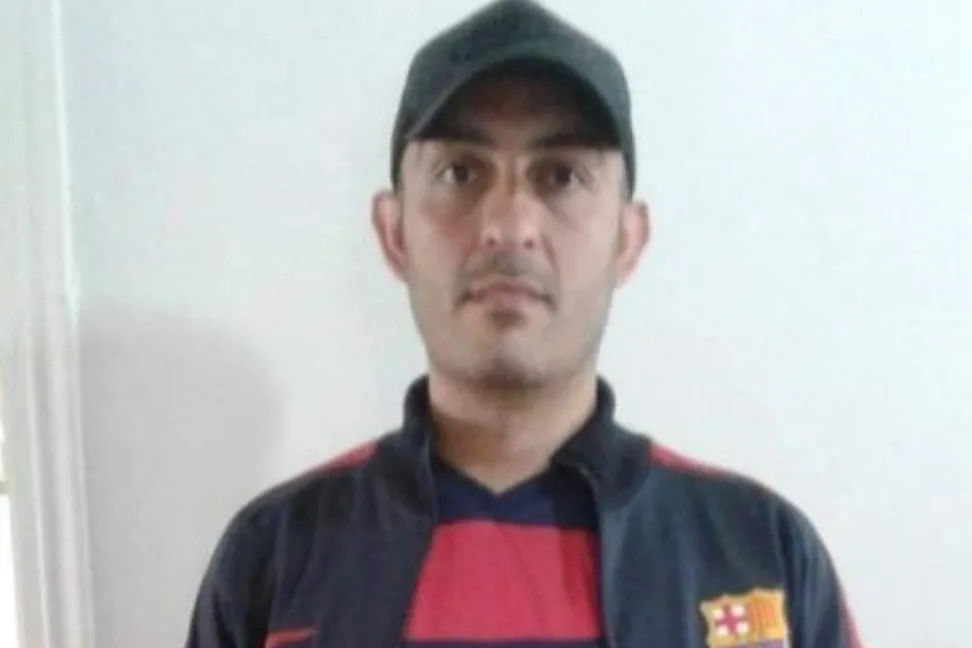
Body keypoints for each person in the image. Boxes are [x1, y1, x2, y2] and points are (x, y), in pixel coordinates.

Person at [185, 1, 863, 647]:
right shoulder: (272, 559)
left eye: (561, 176)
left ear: (628, 239)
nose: (509, 226)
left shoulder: (763, 556)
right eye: (460, 173)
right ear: (394, 232)